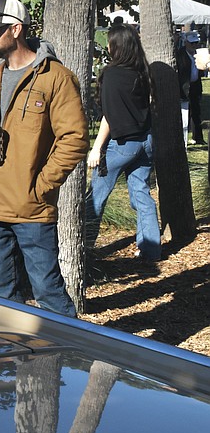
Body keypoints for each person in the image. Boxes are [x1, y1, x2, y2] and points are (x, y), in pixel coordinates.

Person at [0, 0, 88, 317]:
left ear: (16, 30)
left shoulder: (56, 77)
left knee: (49, 293)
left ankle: (71, 357)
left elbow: (75, 139)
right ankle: (11, 362)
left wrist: (41, 185)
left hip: (32, 209)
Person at [86, 24, 161, 261]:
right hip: (146, 141)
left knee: (95, 197)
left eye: (109, 42)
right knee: (142, 194)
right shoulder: (142, 71)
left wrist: (96, 148)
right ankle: (151, 250)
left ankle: (84, 249)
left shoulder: (111, 75)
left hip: (121, 145)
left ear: (115, 45)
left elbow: (109, 116)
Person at [176, 30, 205, 145]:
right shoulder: (180, 55)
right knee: (184, 114)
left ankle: (198, 137)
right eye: (192, 43)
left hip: (195, 86)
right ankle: (182, 138)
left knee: (196, 112)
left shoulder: (199, 54)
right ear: (186, 42)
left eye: (196, 43)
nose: (194, 45)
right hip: (184, 87)